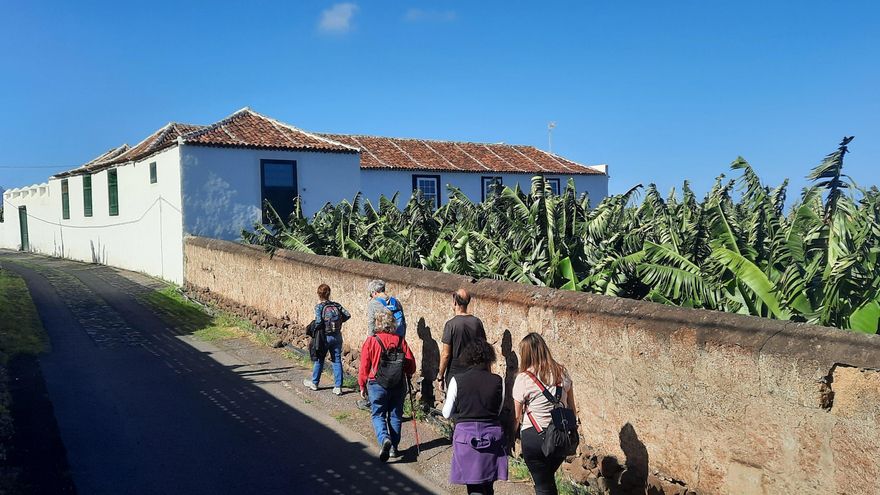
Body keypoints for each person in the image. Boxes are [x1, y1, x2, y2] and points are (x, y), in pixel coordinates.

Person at [512, 333, 578, 495]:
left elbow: (516, 416)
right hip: (560, 438)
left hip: (534, 436)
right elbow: (571, 409)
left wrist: (510, 438)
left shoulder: (523, 379)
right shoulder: (562, 373)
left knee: (543, 485)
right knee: (547, 481)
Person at [442, 340, 508, 495]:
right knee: (488, 483)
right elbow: (498, 410)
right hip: (492, 436)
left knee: (473, 486)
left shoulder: (457, 380)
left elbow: (446, 413)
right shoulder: (498, 381)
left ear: (468, 358)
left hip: (466, 438)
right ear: (489, 358)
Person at [359, 309, 416, 462]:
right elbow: (411, 364)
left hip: (376, 384)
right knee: (396, 416)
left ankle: (384, 438)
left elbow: (364, 365)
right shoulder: (400, 340)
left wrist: (362, 385)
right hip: (398, 383)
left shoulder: (372, 340)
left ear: (377, 322)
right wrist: (408, 373)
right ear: (392, 323)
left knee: (378, 414)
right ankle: (393, 449)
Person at [303, 284, 350, 396]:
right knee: (337, 360)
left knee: (319, 359)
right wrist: (337, 323)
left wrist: (313, 329)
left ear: (319, 294)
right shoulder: (336, 305)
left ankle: (315, 383)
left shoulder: (319, 307)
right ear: (329, 293)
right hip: (337, 336)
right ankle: (338, 387)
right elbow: (347, 315)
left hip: (324, 337)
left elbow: (319, 322)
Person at [438, 289, 486, 389]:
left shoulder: (451, 325)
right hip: (474, 372)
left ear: (455, 301)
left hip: (455, 373)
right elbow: (484, 349)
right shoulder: (477, 323)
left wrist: (440, 376)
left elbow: (446, 354)